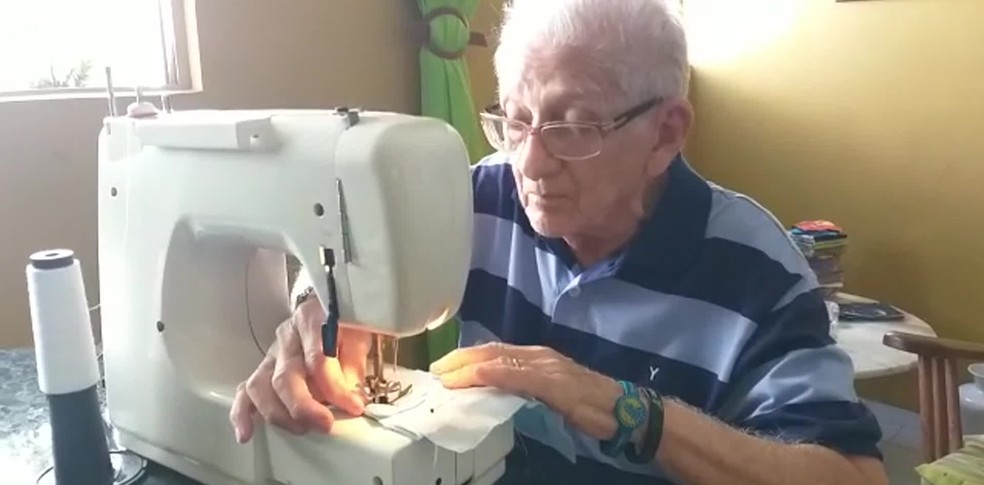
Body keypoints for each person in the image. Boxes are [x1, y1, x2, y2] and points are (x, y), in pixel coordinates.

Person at [229, 0, 890, 483]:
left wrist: (621, 407)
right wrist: (323, 308)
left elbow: (852, 475)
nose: (532, 164)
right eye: (515, 120)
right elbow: (358, 253)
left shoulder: (757, 268)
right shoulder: (483, 194)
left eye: (573, 128)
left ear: (665, 133)